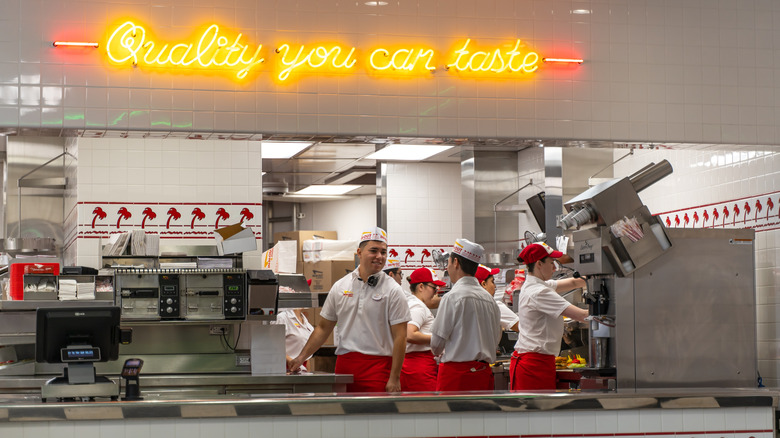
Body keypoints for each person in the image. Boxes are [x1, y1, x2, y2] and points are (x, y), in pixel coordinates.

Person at [288, 227, 411, 393]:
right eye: (373, 251)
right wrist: (301, 357)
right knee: (343, 410)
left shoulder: (393, 290)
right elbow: (323, 328)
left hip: (379, 368)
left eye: (383, 252)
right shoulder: (341, 286)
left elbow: (400, 337)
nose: (379, 256)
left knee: (376, 410)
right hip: (344, 366)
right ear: (359, 253)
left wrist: (395, 377)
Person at [510, 242, 589, 391]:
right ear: (539, 264)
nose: (554, 268)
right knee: (535, 406)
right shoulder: (539, 292)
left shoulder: (537, 285)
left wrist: (597, 275)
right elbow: (583, 316)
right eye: (552, 262)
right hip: (533, 365)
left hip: (537, 361)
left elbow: (574, 282)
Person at [430, 238, 502, 392]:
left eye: (449, 262)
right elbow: (496, 338)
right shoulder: (490, 300)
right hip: (483, 375)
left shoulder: (452, 297)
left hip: (457, 377)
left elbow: (436, 345)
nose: (447, 267)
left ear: (456, 262)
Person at [400, 267, 445, 392]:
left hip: (414, 365)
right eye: (434, 288)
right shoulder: (418, 306)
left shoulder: (413, 304)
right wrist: (439, 339)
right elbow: (410, 334)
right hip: (418, 367)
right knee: (426, 402)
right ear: (421, 287)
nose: (436, 293)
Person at [476, 264, 519, 332]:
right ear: (484, 284)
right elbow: (521, 327)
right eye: (492, 281)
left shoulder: (468, 304)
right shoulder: (493, 306)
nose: (495, 286)